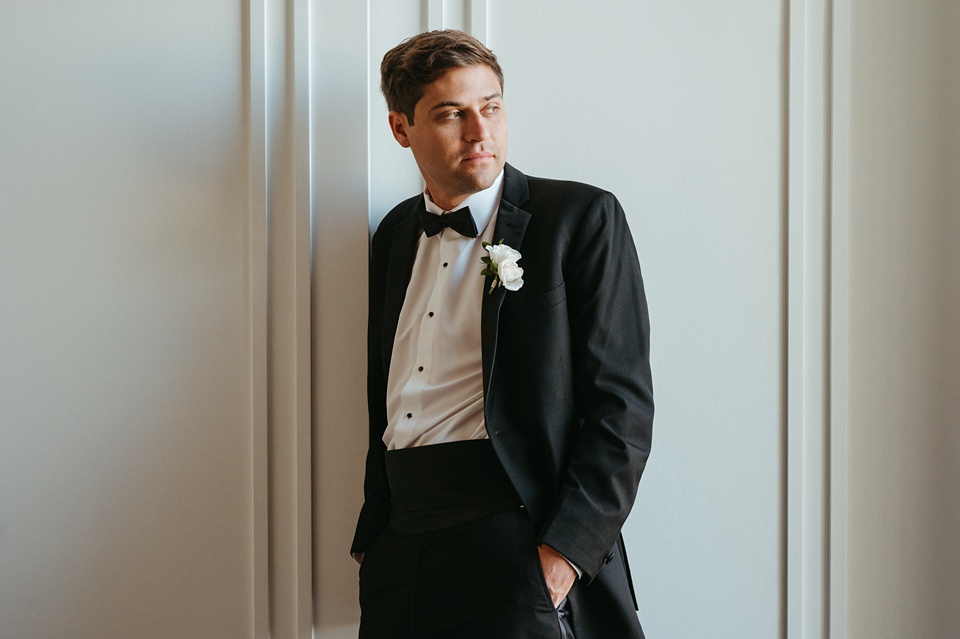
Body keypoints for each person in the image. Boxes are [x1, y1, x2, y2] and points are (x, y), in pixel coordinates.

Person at [351, 29, 654, 639]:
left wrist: (564, 555)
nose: (478, 131)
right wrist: (375, 540)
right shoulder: (391, 237)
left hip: (517, 537)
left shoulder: (578, 219)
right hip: (401, 547)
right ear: (401, 128)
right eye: (450, 114)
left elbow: (621, 409)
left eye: (490, 107)